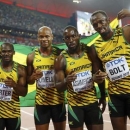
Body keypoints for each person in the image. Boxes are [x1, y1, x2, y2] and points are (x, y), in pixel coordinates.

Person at [54, 25, 107, 130]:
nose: (71, 40)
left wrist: (103, 96)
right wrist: (66, 80)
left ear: (79, 36)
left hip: (92, 103)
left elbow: (99, 75)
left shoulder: (89, 52)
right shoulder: (60, 59)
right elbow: (59, 88)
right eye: (67, 38)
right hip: (75, 106)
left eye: (73, 36)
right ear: (64, 40)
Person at [90, 9, 130, 130]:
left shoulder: (125, 32)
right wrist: (101, 92)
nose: (99, 26)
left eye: (101, 22)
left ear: (108, 20)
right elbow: (98, 74)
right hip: (115, 96)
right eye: (95, 25)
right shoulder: (95, 47)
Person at [26, 26, 66, 130]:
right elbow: (29, 81)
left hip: (58, 102)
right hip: (41, 104)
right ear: (38, 38)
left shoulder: (60, 54)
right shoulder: (31, 57)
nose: (44, 39)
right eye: (41, 37)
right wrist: (33, 77)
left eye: (47, 36)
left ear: (52, 37)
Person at [0, 42, 27, 130]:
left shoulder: (20, 70)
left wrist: (14, 85)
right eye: (4, 51)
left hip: (13, 113)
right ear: (0, 53)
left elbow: (24, 93)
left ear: (13, 53)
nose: (6, 54)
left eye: (9, 51)